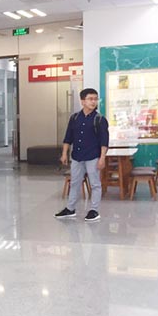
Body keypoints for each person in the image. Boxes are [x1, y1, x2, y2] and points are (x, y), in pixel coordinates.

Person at [55, 88, 109, 222]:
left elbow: (104, 141)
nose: (93, 102)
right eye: (90, 99)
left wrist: (102, 158)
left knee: (95, 184)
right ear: (82, 101)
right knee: (75, 183)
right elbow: (68, 137)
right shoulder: (74, 118)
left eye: (95, 99)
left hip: (93, 156)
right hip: (77, 156)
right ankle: (70, 209)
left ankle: (94, 210)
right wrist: (64, 153)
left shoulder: (100, 119)